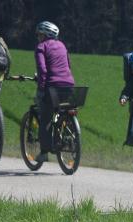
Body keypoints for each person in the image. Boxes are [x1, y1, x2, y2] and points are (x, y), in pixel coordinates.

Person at [34, 20, 75, 163]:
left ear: (44, 35)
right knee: (62, 110)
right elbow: (68, 66)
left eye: (39, 34)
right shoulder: (62, 46)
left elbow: (42, 70)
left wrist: (41, 87)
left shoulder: (41, 47)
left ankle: (44, 152)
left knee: (45, 117)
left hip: (52, 86)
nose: (38, 37)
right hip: (69, 85)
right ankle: (66, 136)